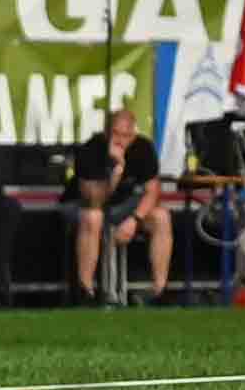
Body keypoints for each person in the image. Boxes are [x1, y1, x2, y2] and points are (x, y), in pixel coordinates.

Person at [69, 103, 174, 305]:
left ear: (133, 134)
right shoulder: (91, 149)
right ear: (106, 132)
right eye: (116, 134)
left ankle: (159, 290)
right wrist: (116, 172)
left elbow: (153, 192)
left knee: (161, 217)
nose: (120, 141)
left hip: (127, 208)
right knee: (93, 217)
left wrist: (135, 220)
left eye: (126, 135)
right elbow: (94, 200)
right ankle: (86, 290)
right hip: (86, 206)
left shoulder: (143, 147)